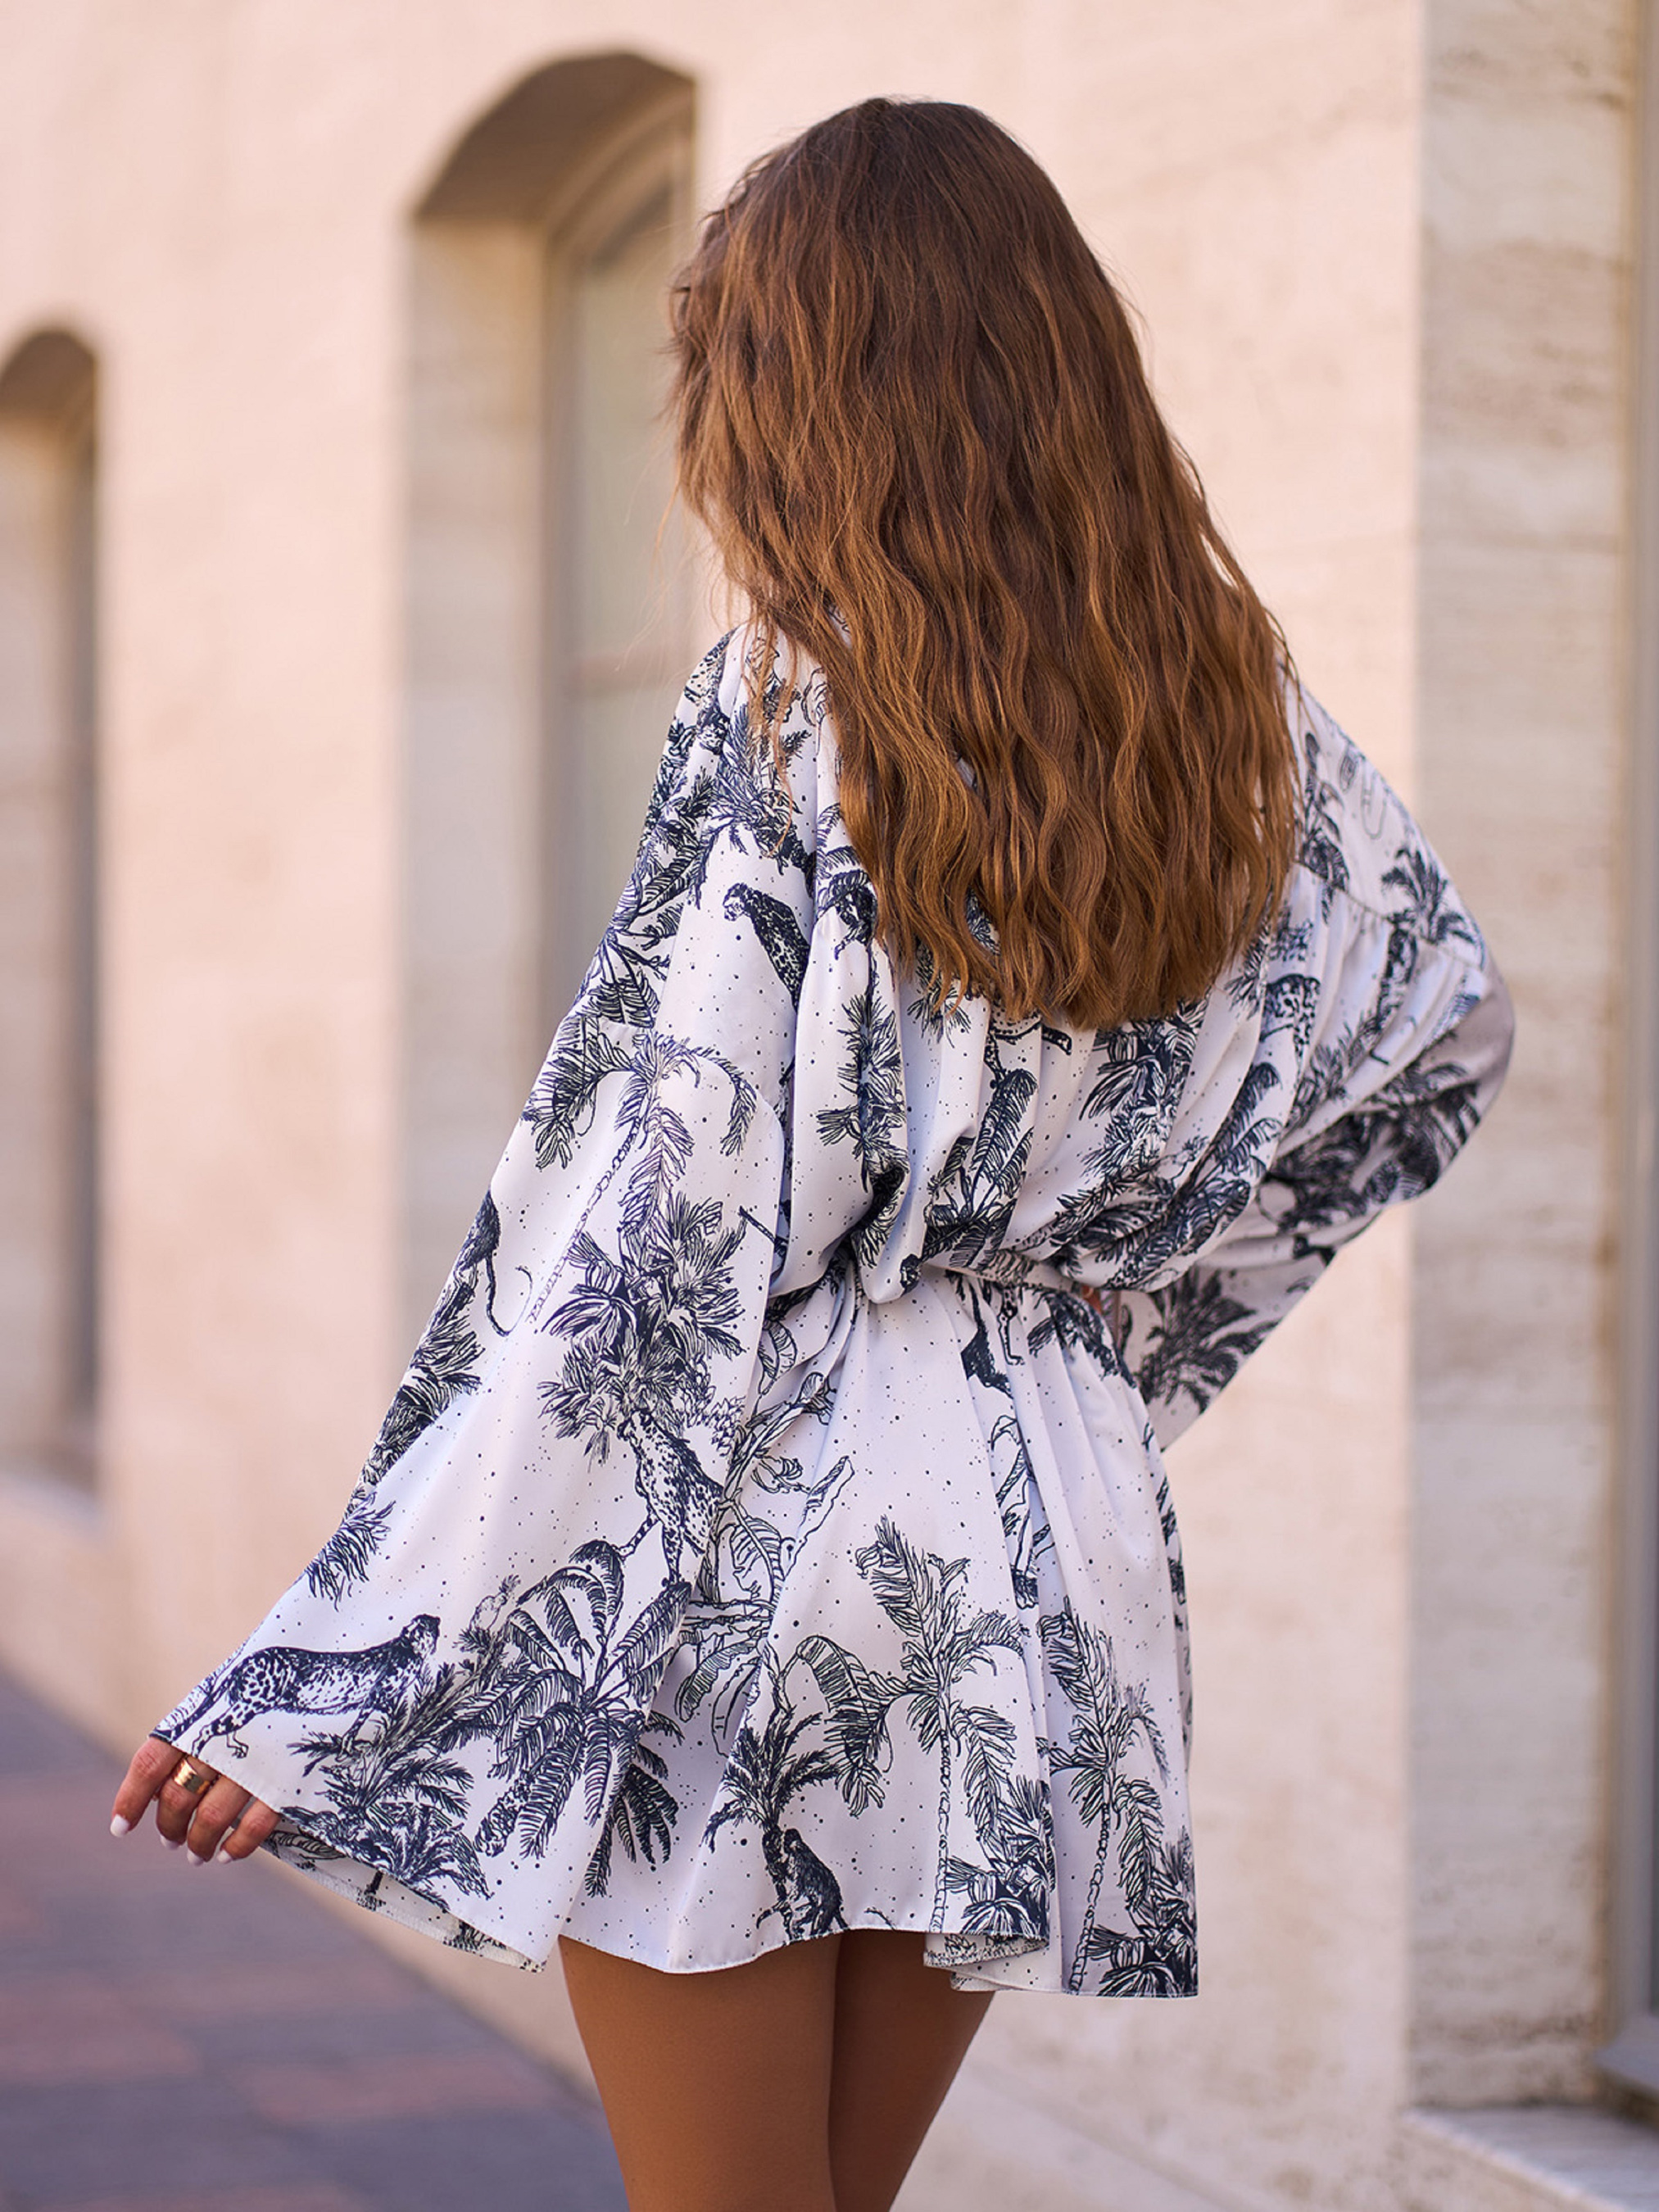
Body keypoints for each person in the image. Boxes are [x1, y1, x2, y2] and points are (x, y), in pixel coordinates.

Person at [111, 97, 1513, 2212]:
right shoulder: (1251, 731)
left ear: (801, 398)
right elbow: (1440, 1033)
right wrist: (1104, 1350)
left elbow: (649, 1238)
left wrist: (350, 1659)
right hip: (1042, 1551)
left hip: (769, 1542)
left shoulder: (788, 710)